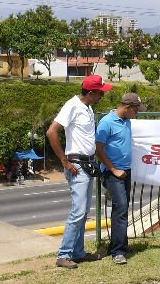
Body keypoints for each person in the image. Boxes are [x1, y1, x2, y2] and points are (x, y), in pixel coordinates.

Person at [47, 75, 113, 269]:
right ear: (91, 92)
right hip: (77, 165)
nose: (102, 95)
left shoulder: (88, 108)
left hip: (87, 164)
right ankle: (64, 254)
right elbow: (52, 132)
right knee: (78, 211)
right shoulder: (72, 106)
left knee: (83, 212)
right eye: (100, 93)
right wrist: (64, 161)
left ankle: (78, 252)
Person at [95, 92, 146, 265]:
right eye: (136, 110)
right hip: (113, 173)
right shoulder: (106, 123)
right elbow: (98, 149)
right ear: (128, 107)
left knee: (121, 209)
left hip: (125, 171)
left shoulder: (127, 121)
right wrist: (113, 169)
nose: (137, 113)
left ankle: (118, 245)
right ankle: (118, 251)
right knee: (121, 207)